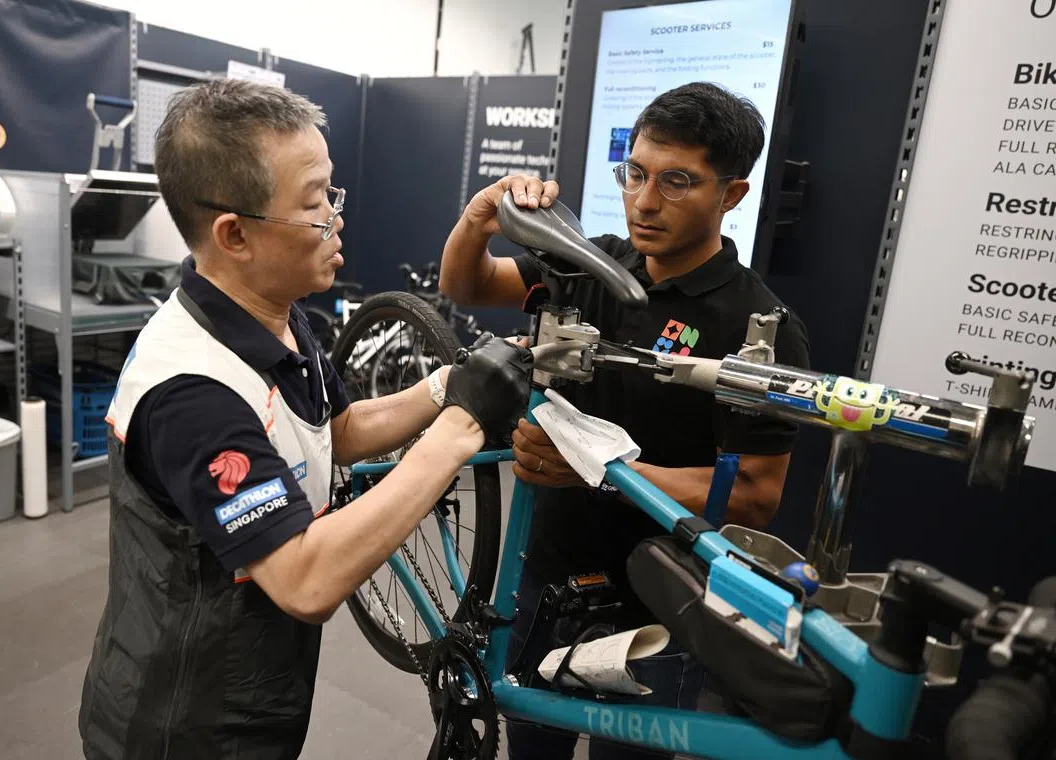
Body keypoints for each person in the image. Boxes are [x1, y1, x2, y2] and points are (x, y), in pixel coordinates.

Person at [77, 79, 533, 760]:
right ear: (235, 234)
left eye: (332, 192)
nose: (336, 218)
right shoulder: (193, 394)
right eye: (315, 201)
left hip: (257, 688)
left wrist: (447, 387)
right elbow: (305, 578)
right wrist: (456, 431)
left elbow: (337, 432)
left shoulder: (272, 311)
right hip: (183, 724)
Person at [439, 82, 811, 759]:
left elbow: (755, 496)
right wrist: (478, 217)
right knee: (532, 742)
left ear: (731, 195)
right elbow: (466, 285)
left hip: (657, 602)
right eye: (635, 173)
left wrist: (597, 470)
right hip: (545, 572)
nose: (644, 201)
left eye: (677, 182)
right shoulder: (592, 261)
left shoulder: (760, 326)